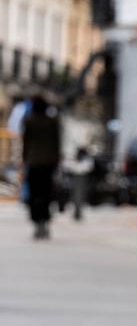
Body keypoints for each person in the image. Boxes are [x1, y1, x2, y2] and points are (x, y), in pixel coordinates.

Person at [21, 96, 63, 240]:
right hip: (48, 163)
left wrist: (24, 159)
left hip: (34, 162)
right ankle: (44, 222)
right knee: (46, 194)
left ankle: (37, 223)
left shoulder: (29, 120)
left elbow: (25, 142)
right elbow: (57, 142)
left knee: (34, 194)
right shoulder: (52, 121)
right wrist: (57, 160)